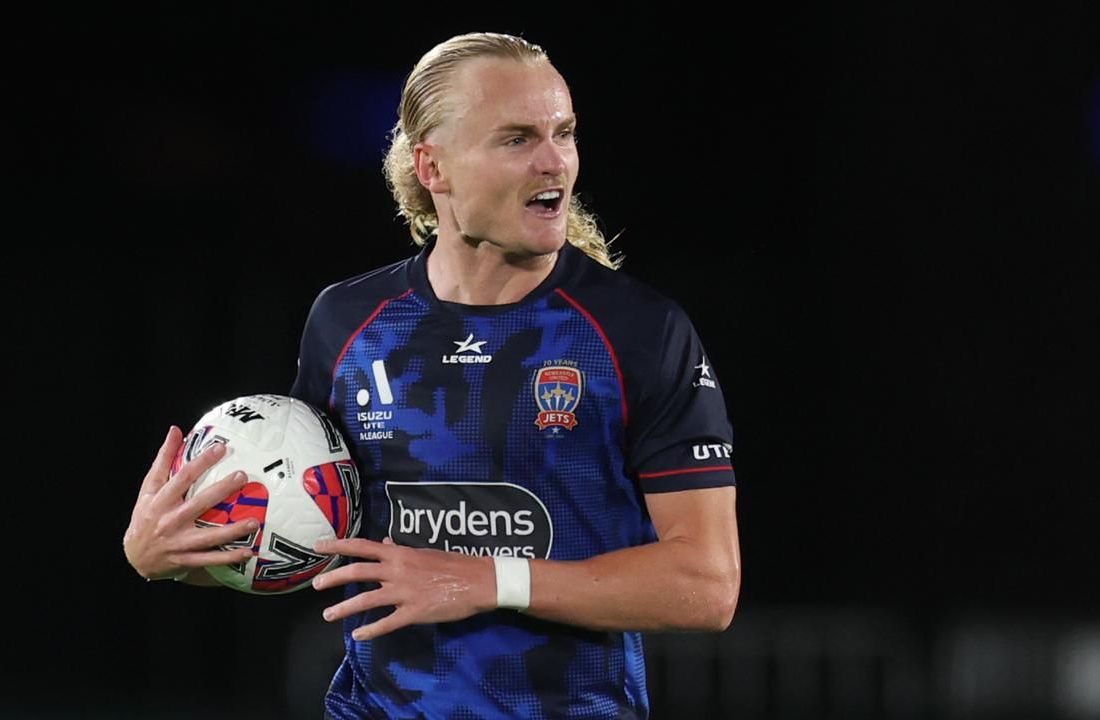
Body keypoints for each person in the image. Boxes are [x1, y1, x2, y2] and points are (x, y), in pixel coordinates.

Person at [124, 31, 741, 720]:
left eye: (563, 133)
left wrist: (492, 580)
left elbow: (706, 585)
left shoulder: (639, 331)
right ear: (433, 167)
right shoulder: (349, 322)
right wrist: (173, 554)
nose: (554, 161)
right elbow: (305, 539)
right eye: (517, 139)